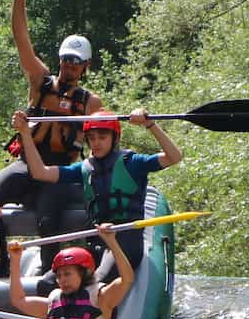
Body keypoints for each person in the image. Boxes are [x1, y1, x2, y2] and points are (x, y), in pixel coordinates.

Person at [0, 0, 105, 275]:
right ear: (60, 59)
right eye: (66, 59)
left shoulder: (91, 102)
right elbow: (21, 39)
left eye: (76, 62)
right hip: (27, 163)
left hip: (58, 172)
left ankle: (51, 274)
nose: (70, 65)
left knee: (48, 219)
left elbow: (102, 139)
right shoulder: (40, 80)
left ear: (86, 66)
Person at [10, 107, 182, 281]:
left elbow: (174, 157)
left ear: (115, 138)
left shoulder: (133, 163)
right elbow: (40, 172)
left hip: (126, 242)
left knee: (95, 282)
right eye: (91, 138)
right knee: (48, 282)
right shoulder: (84, 168)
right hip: (96, 242)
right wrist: (25, 134)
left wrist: (150, 124)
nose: (96, 143)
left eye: (102, 137)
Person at [7, 229, 133, 319]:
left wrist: (112, 242)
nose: (62, 280)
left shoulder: (100, 298)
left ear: (83, 274)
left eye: (67, 274)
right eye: (59, 275)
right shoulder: (54, 300)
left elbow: (127, 279)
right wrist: (15, 260)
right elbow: (18, 300)